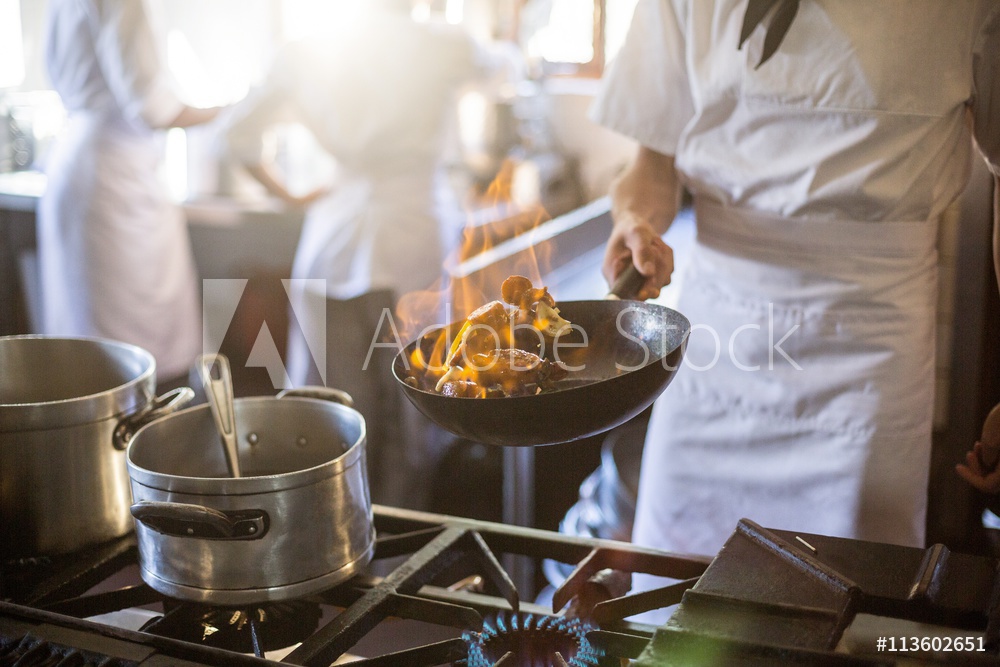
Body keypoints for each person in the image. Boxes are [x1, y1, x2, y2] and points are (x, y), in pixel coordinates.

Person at [591, 0, 1000, 561]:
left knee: (849, 594)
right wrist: (633, 221)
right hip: (716, 333)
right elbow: (651, 166)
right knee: (677, 587)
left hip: (871, 339)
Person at [222, 0, 516, 508]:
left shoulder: (307, 49)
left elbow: (235, 134)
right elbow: (507, 67)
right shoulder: (442, 43)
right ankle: (400, 544)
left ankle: (329, 544)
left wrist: (292, 195)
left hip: (334, 233)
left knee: (330, 415)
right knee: (412, 410)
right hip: (413, 234)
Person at [38, 0, 224, 388]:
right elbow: (152, 106)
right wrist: (235, 108)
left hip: (79, 166)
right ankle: (146, 439)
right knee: (133, 348)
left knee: (89, 340)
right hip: (115, 181)